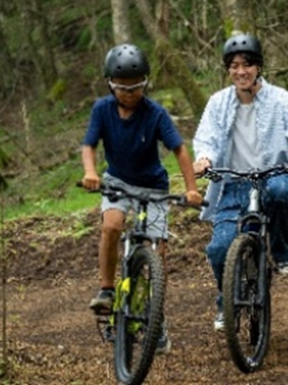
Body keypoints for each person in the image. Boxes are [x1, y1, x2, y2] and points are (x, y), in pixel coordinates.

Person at [191, 33, 288, 331]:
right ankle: (226, 298)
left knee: (282, 190)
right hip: (231, 185)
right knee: (218, 249)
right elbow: (206, 139)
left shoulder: (281, 99)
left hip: (272, 175)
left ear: (259, 67)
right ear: (228, 69)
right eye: (234, 66)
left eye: (247, 64)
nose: (241, 71)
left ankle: (280, 249)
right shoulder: (217, 103)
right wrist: (204, 159)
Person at [81, 44, 202, 353]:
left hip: (154, 186)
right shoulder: (102, 110)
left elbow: (179, 149)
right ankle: (107, 290)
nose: (129, 93)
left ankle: (155, 315)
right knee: (111, 225)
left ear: (145, 83)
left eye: (136, 87)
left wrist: (191, 188)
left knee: (157, 249)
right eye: (122, 88)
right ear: (110, 84)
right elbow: (89, 145)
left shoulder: (155, 113)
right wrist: (91, 172)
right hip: (118, 181)